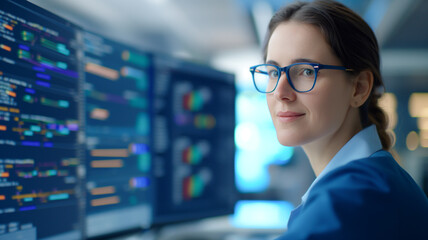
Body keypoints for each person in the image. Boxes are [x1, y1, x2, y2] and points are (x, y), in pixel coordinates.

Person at [249, 0, 428, 239]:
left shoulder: (359, 195)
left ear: (359, 89)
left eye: (306, 71)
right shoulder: (372, 179)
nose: (280, 92)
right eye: (273, 72)